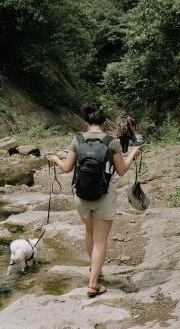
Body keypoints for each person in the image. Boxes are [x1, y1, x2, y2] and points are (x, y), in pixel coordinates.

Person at [47, 103, 142, 298]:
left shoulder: (77, 140)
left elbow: (66, 168)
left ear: (86, 122)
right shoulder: (112, 142)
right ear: (104, 122)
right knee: (100, 240)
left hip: (81, 197)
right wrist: (133, 153)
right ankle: (93, 285)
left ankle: (95, 270)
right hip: (104, 196)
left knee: (89, 233)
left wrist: (55, 159)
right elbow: (122, 171)